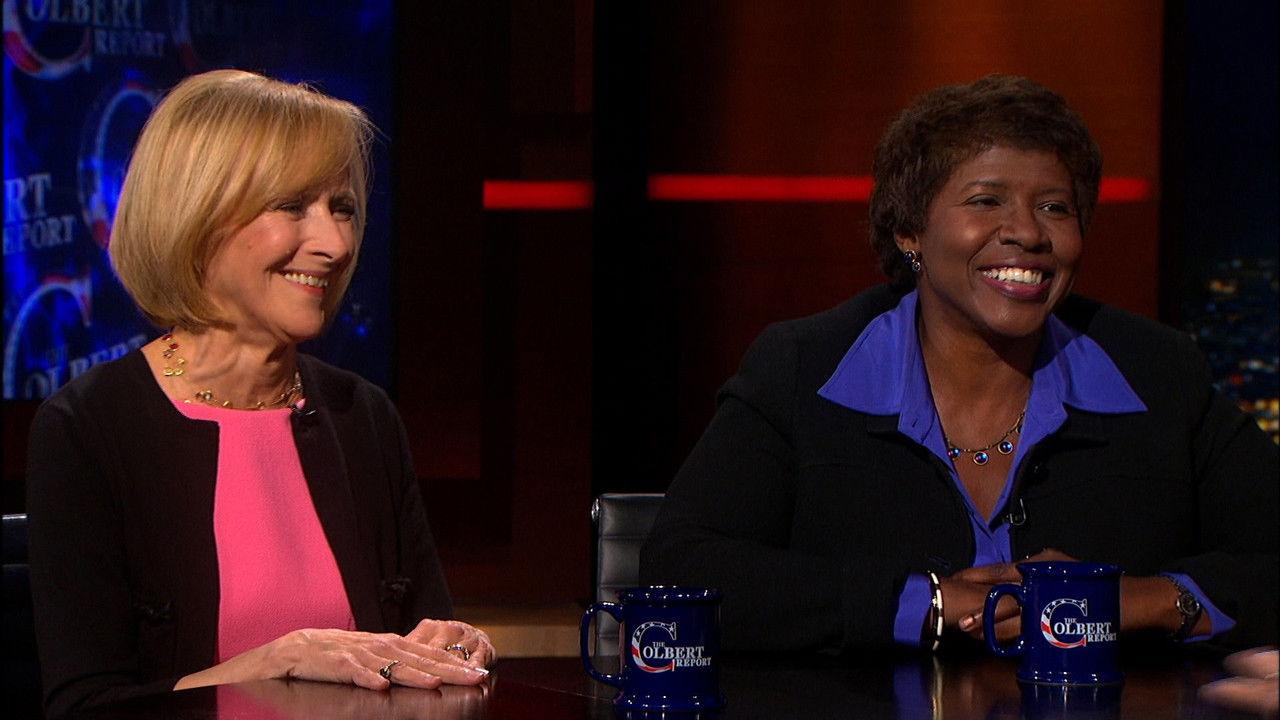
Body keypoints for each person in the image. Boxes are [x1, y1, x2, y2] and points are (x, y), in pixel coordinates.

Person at [640, 75, 1278, 654]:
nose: (1027, 232)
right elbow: (681, 565)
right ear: (909, 231)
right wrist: (925, 604)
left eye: (1055, 207)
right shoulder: (805, 370)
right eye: (986, 201)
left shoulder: (1156, 374)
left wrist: (1144, 600)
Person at [27, 70, 495, 719]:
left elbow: (418, 651)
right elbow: (86, 706)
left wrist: (449, 652)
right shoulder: (90, 428)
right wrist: (275, 662)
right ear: (198, 214)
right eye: (293, 206)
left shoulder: (363, 416)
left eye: (343, 209)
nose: (333, 244)